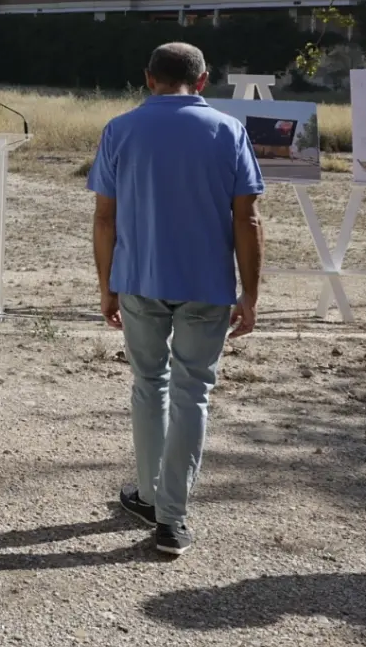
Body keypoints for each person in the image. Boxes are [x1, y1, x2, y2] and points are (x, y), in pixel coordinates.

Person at [89, 42, 264, 558]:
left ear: (149, 78)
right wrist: (249, 292)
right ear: (204, 79)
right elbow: (247, 219)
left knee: (149, 386)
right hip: (207, 285)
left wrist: (107, 285)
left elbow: (104, 218)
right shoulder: (229, 131)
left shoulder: (120, 130)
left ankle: (146, 493)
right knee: (193, 393)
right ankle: (172, 517)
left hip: (140, 279)